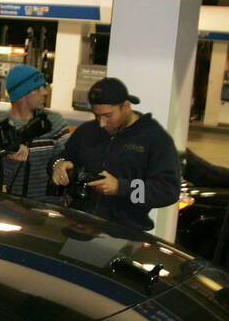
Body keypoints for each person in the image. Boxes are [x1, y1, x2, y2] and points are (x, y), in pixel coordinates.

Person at [52, 77, 181, 231]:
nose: (101, 123)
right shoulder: (87, 132)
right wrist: (58, 164)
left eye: (108, 116)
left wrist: (121, 187)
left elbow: (168, 191)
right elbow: (63, 156)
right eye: (97, 115)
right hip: (79, 225)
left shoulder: (155, 138)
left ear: (126, 106)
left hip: (125, 233)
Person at [0, 64, 69, 202]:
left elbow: (68, 156)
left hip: (49, 211)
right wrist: (9, 161)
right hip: (9, 209)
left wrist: (60, 165)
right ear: (23, 94)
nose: (45, 92)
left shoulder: (54, 123)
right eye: (38, 88)